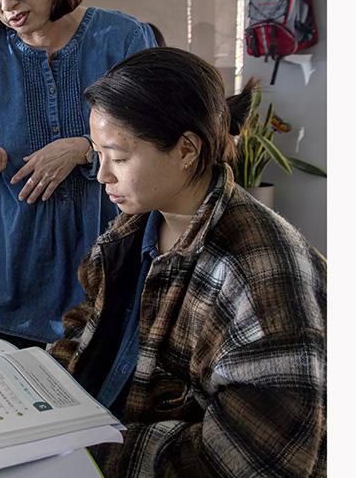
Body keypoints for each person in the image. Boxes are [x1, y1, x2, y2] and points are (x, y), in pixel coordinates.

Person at [48, 47, 326, 477]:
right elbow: (90, 323)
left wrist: (91, 453)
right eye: (98, 155)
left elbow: (258, 457)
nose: (103, 175)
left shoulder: (259, 268)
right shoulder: (134, 228)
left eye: (119, 157)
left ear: (187, 150)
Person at [0, 0, 157, 347]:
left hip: (104, 262)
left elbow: (155, 132)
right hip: (11, 265)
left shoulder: (122, 39)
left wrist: (84, 148)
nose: (6, 6)